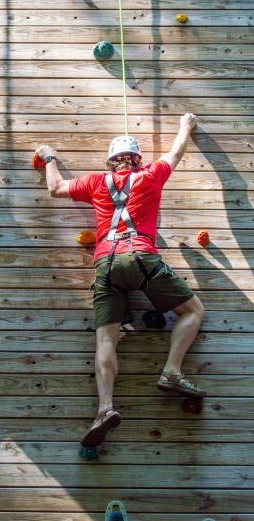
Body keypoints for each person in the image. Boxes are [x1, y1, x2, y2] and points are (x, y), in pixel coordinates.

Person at [35, 113, 205, 447]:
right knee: (193, 310)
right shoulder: (151, 175)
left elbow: (55, 188)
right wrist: (186, 125)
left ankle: (104, 408)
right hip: (140, 257)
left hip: (105, 263)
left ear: (111, 162)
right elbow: (176, 152)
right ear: (137, 160)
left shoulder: (97, 182)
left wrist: (50, 155)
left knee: (106, 340)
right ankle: (171, 370)